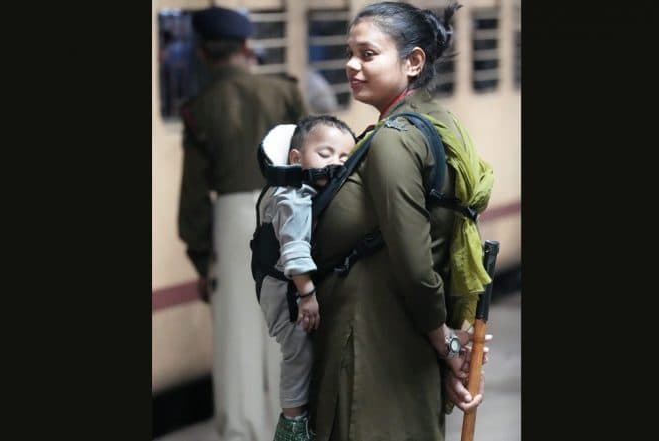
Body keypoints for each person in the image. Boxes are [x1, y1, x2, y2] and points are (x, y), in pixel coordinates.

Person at [307, 2, 495, 440]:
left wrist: (447, 346)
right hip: (399, 344)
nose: (351, 65)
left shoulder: (394, 140)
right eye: (349, 52)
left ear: (413, 62)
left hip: (374, 350)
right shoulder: (440, 122)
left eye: (368, 54)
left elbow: (416, 264)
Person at [176, 6, 307, 441]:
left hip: (233, 222)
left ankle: (241, 432)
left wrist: (202, 262)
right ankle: (292, 426)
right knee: (288, 329)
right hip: (288, 210)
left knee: (237, 340)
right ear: (247, 47)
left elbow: (194, 200)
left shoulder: (200, 109)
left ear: (202, 54)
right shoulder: (284, 92)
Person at [255, 116, 355, 441]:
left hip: (282, 284)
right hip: (285, 289)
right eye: (325, 154)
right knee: (299, 350)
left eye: (344, 158)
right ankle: (293, 424)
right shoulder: (293, 197)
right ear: (296, 159)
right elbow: (295, 250)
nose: (335, 164)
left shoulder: (294, 188)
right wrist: (307, 294)